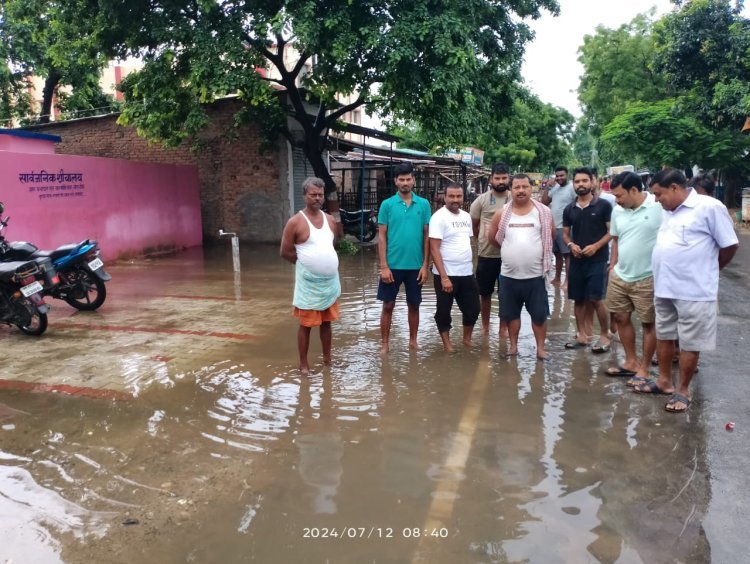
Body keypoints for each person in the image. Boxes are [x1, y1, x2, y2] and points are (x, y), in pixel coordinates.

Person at [633, 168, 738, 413]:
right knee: (665, 335)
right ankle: (664, 382)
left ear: (674, 188)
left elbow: (729, 245)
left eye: (659, 194)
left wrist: (712, 268)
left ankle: (683, 390)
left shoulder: (709, 207)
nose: (656, 200)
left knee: (690, 343)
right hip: (665, 287)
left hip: (695, 290)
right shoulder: (669, 210)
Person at [602, 171, 662, 384]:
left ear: (634, 190)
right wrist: (613, 266)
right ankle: (631, 362)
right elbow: (616, 240)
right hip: (620, 275)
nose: (617, 200)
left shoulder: (658, 207)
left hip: (648, 277)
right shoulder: (618, 211)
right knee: (620, 318)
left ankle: (644, 369)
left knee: (649, 323)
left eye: (619, 195)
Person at [488, 174, 556, 359]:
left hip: (536, 276)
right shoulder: (501, 214)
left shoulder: (543, 212)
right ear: (511, 190)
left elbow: (551, 236)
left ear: (530, 188)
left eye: (524, 187)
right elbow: (494, 239)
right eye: (516, 187)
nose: (520, 190)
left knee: (539, 316)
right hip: (509, 276)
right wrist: (513, 250)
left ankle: (541, 349)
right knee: (511, 315)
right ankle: (513, 347)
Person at [280, 177, 342, 374]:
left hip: (330, 283)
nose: (317, 198)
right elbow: (285, 252)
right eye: (313, 195)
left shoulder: (330, 220)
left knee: (326, 323)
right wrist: (307, 264)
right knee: (306, 325)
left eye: (320, 195)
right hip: (308, 284)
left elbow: (330, 246)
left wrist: (323, 262)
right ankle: (304, 364)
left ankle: (327, 359)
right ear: (304, 196)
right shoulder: (295, 222)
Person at [377, 162, 432, 354]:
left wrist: (425, 265)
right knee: (388, 305)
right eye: (401, 179)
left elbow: (427, 236)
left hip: (416, 266)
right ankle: (385, 344)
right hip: (392, 265)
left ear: (414, 180)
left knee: (414, 305)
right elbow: (382, 236)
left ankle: (413, 341)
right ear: (395, 181)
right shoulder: (387, 205)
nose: (405, 183)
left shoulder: (424, 204)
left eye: (408, 179)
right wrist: (384, 266)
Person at [562, 167, 613, 352]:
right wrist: (570, 246)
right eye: (577, 181)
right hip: (577, 260)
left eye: (584, 181)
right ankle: (581, 336)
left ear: (592, 182)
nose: (581, 184)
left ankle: (605, 336)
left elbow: (611, 232)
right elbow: (566, 235)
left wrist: (596, 246)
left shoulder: (604, 206)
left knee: (596, 299)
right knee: (578, 299)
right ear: (573, 184)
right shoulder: (569, 209)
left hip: (598, 260)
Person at [429, 182, 480, 352]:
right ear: (444, 197)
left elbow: (469, 241)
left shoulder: (466, 216)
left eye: (458, 196)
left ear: (463, 197)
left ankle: (466, 339)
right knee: (444, 311)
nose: (455, 200)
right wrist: (444, 277)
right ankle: (447, 344)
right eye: (451, 196)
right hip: (446, 274)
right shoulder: (438, 217)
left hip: (466, 272)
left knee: (473, 309)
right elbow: (434, 248)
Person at [469, 162, 510, 338]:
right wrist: (486, 239)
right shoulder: (482, 200)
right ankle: (485, 327)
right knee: (484, 294)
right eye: (497, 178)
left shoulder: (514, 198)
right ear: (491, 179)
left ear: (509, 178)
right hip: (486, 255)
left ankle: (503, 328)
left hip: (509, 256)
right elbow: (474, 226)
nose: (501, 181)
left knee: (505, 294)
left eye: (504, 178)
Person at [540, 165, 576, 288]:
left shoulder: (572, 188)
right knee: (557, 254)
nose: (559, 178)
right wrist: (547, 187)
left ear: (567, 175)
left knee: (567, 255)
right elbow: (544, 202)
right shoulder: (554, 188)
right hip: (553, 226)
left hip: (566, 226)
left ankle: (568, 281)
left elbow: (578, 202)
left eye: (562, 175)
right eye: (557, 176)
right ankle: (557, 278)